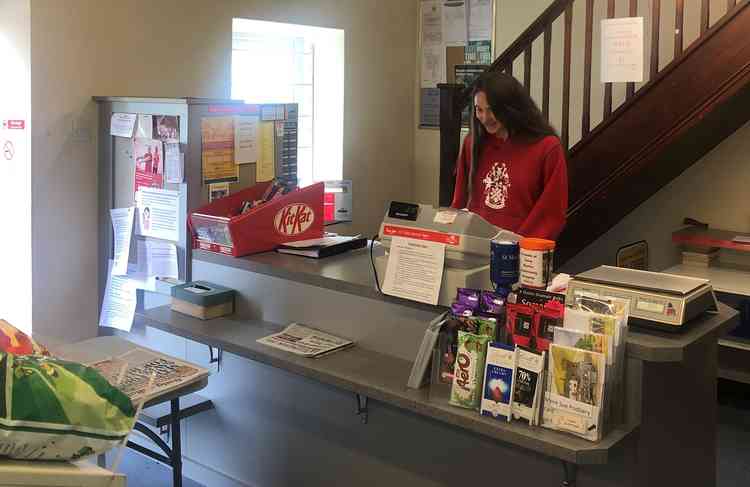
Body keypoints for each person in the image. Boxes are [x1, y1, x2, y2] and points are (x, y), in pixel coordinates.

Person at [451, 72, 568, 240]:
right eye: (479, 110)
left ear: (511, 109)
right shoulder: (472, 143)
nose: (484, 118)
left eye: (492, 111)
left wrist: (516, 246)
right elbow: (459, 201)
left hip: (524, 251)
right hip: (475, 246)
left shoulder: (547, 148)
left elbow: (551, 213)